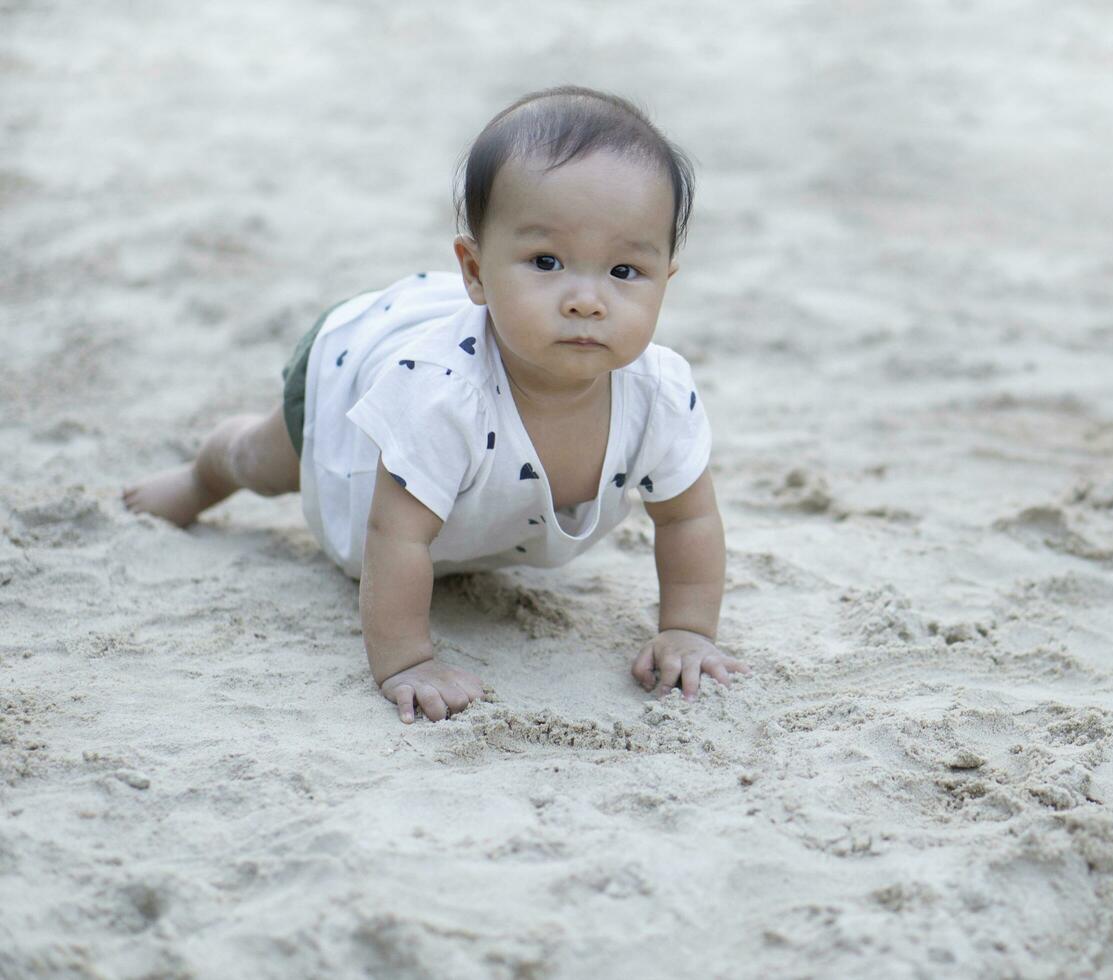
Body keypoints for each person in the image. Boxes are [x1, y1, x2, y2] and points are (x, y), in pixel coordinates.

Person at [123, 84, 748, 723]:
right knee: (264, 461)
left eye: (623, 272)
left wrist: (689, 630)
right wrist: (407, 661)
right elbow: (395, 534)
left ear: (665, 280)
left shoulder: (658, 393)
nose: (586, 299)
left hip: (466, 471)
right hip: (351, 372)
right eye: (547, 260)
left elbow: (686, 520)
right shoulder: (441, 396)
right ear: (474, 272)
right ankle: (204, 474)